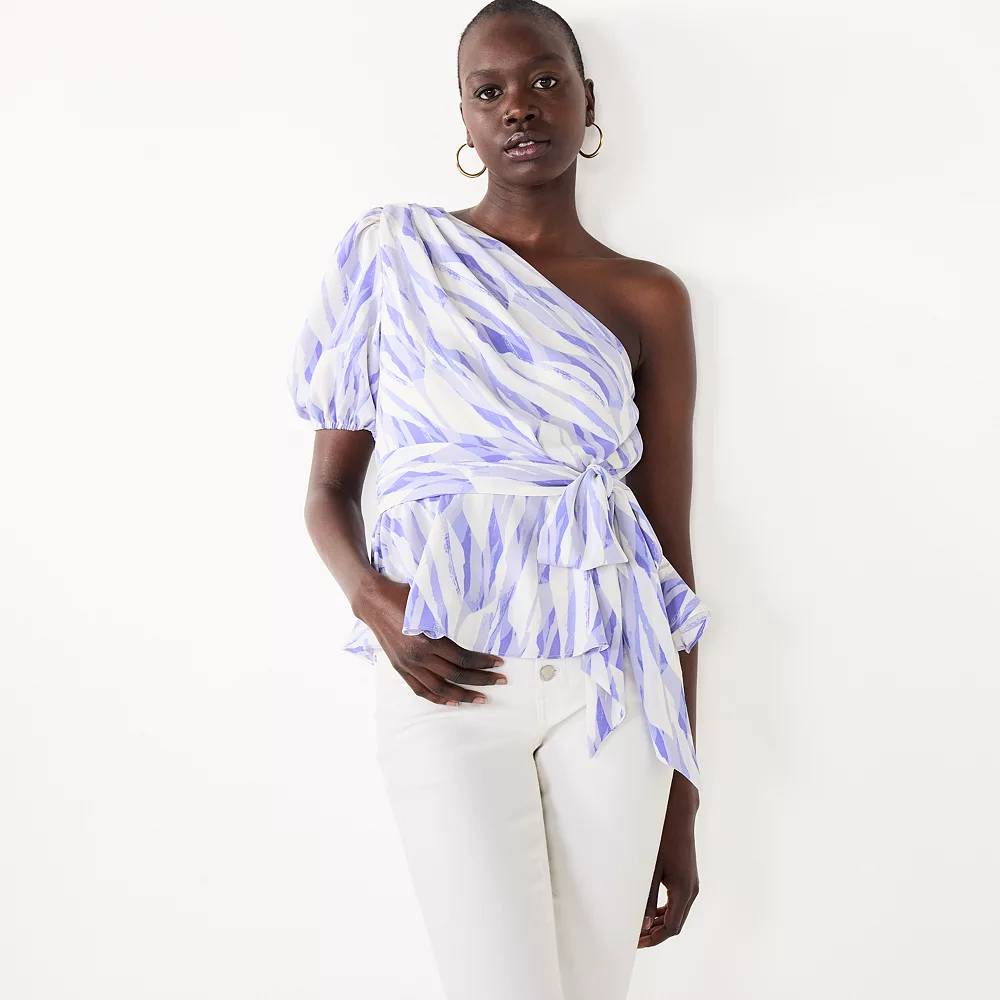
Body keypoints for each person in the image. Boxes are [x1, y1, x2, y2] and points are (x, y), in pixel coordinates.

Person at [286, 2, 711, 997]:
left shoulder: (648, 297)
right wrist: (374, 603)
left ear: (586, 101)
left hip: (612, 688)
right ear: (466, 118)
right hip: (447, 681)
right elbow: (327, 491)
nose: (519, 106)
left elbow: (671, 552)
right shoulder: (395, 256)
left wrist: (684, 801)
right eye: (490, 90)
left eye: (545, 81)